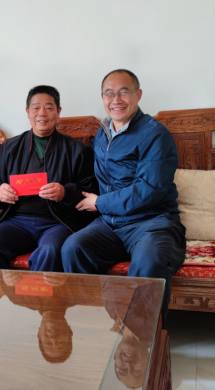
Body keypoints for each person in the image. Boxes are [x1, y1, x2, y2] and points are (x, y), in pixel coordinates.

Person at [61, 70, 186, 327]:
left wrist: (100, 203)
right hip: (111, 223)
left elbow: (149, 189)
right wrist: (65, 191)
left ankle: (141, 337)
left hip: (151, 221)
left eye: (124, 92)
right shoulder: (102, 133)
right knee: (73, 248)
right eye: (109, 93)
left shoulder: (155, 134)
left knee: (149, 260)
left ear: (138, 95)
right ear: (102, 98)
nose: (116, 100)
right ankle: (93, 324)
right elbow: (94, 179)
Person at [0, 85, 98, 272]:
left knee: (51, 250)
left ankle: (38, 293)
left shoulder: (76, 150)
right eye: (36, 108)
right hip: (17, 221)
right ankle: (3, 291)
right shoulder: (9, 148)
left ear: (58, 112)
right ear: (27, 112)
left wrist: (65, 192)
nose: (42, 113)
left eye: (48, 108)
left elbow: (91, 190)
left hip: (58, 222)